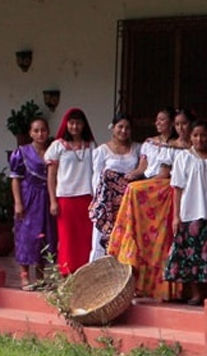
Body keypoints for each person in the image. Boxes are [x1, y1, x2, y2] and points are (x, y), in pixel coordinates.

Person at [109, 107, 179, 299]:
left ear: (171, 123)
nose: (158, 123)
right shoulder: (149, 143)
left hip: (165, 186)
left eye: (163, 120)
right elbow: (143, 166)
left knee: (134, 190)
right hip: (150, 184)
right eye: (157, 120)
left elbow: (166, 172)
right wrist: (135, 174)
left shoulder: (176, 144)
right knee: (132, 188)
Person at [166, 119, 207, 305]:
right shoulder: (183, 158)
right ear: (190, 137)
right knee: (192, 255)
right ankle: (195, 293)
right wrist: (176, 216)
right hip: (190, 213)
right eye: (195, 135)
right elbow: (177, 189)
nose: (199, 139)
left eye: (203, 135)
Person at [45, 107, 96, 276]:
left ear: (84, 125)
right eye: (72, 123)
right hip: (65, 198)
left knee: (85, 237)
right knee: (67, 238)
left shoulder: (91, 146)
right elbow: (51, 176)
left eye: (78, 123)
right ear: (66, 124)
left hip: (87, 197)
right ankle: (67, 272)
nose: (75, 127)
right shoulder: (57, 146)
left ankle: (84, 272)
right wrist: (53, 201)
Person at [8, 116, 55, 290]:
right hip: (29, 197)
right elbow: (15, 179)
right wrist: (18, 202)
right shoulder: (22, 152)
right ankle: (24, 277)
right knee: (26, 237)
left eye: (43, 130)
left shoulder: (52, 150)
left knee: (44, 236)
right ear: (30, 133)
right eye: (36, 130)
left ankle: (41, 278)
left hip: (47, 197)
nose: (40, 134)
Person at [88, 113, 141, 261]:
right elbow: (96, 177)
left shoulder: (137, 149)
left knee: (125, 238)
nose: (124, 131)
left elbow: (144, 169)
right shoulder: (102, 150)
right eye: (120, 127)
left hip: (128, 203)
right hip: (108, 203)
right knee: (101, 239)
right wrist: (98, 202)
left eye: (127, 128)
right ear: (113, 128)